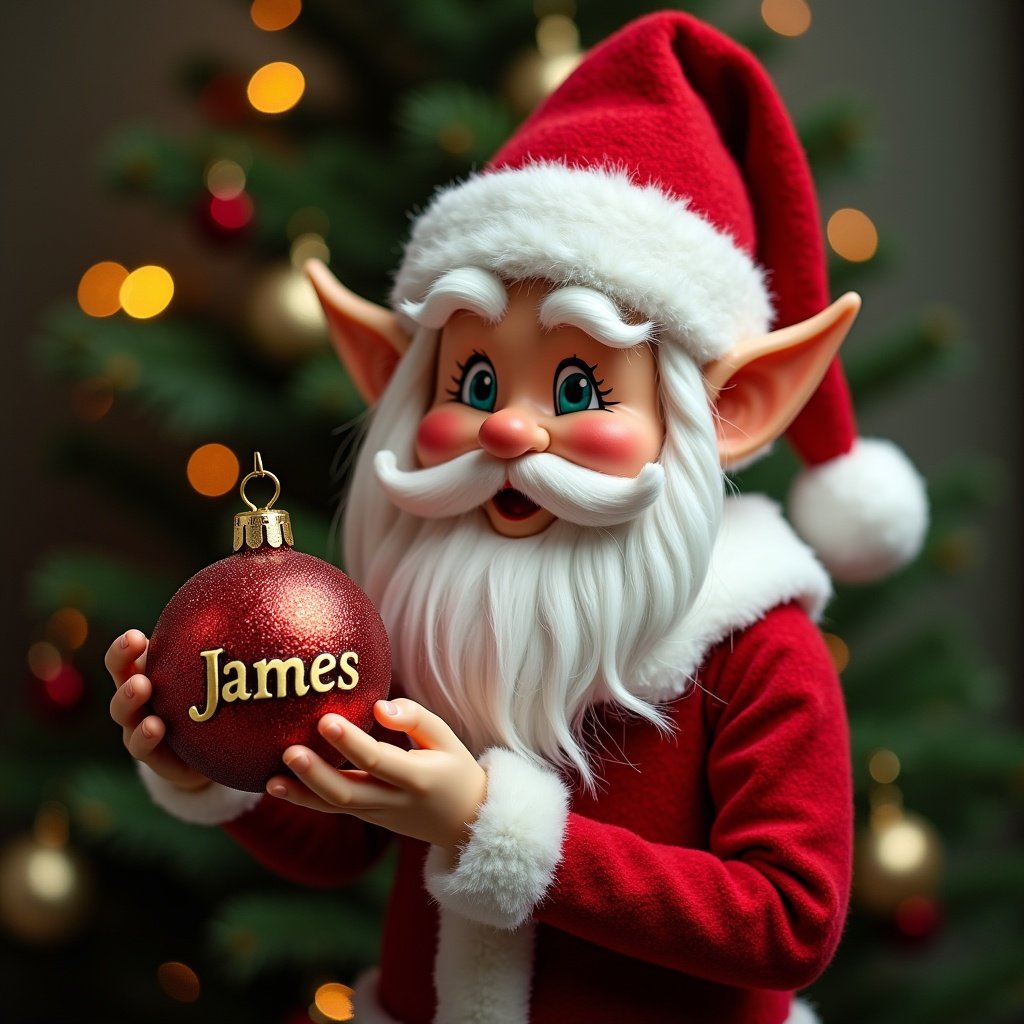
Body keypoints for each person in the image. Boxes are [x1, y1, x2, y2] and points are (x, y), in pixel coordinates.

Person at [105, 12, 928, 1023]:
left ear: (726, 408)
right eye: (478, 378)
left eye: (579, 385)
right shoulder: (420, 610)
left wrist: (495, 826)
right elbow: (343, 838)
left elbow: (786, 924)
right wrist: (212, 759)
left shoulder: (753, 648)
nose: (505, 432)